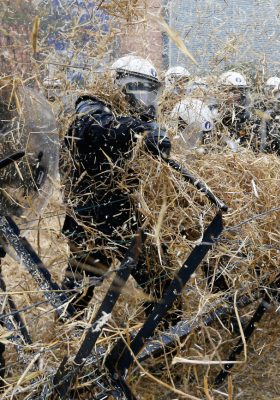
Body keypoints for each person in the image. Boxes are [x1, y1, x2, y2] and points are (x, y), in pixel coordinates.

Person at [61, 55, 174, 318]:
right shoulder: (91, 106)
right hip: (91, 219)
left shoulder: (136, 117)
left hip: (129, 217)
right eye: (139, 90)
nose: (145, 101)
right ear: (120, 85)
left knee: (161, 284)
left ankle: (162, 342)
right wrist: (142, 130)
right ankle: (69, 340)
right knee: (78, 292)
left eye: (149, 92)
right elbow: (96, 128)